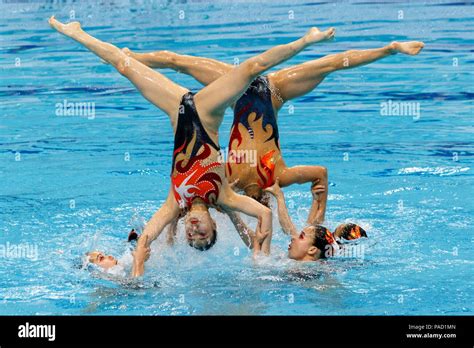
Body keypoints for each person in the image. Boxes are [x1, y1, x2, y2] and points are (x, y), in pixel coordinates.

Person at [49, 16, 335, 277]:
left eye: (191, 236)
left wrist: (138, 266)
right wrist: (261, 253)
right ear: (212, 227)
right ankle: (307, 40)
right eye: (203, 235)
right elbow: (264, 212)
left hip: (178, 109)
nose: (195, 230)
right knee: (251, 69)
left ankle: (77, 33)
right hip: (207, 111)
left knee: (124, 66)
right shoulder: (224, 197)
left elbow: (147, 237)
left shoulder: (175, 203)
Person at [123, 38, 424, 226]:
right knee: (178, 62)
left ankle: (126, 60)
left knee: (180, 63)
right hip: (273, 91)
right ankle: (391, 48)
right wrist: (316, 219)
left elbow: (193, 201)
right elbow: (321, 173)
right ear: (261, 203)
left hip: (237, 89)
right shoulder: (277, 177)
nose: (254, 202)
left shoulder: (230, 185)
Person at [264, 180, 367, 261]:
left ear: (312, 250)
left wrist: (279, 196)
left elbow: (293, 228)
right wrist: (316, 200)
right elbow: (311, 227)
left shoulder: (314, 268)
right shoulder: (323, 251)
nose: (293, 238)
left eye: (301, 236)